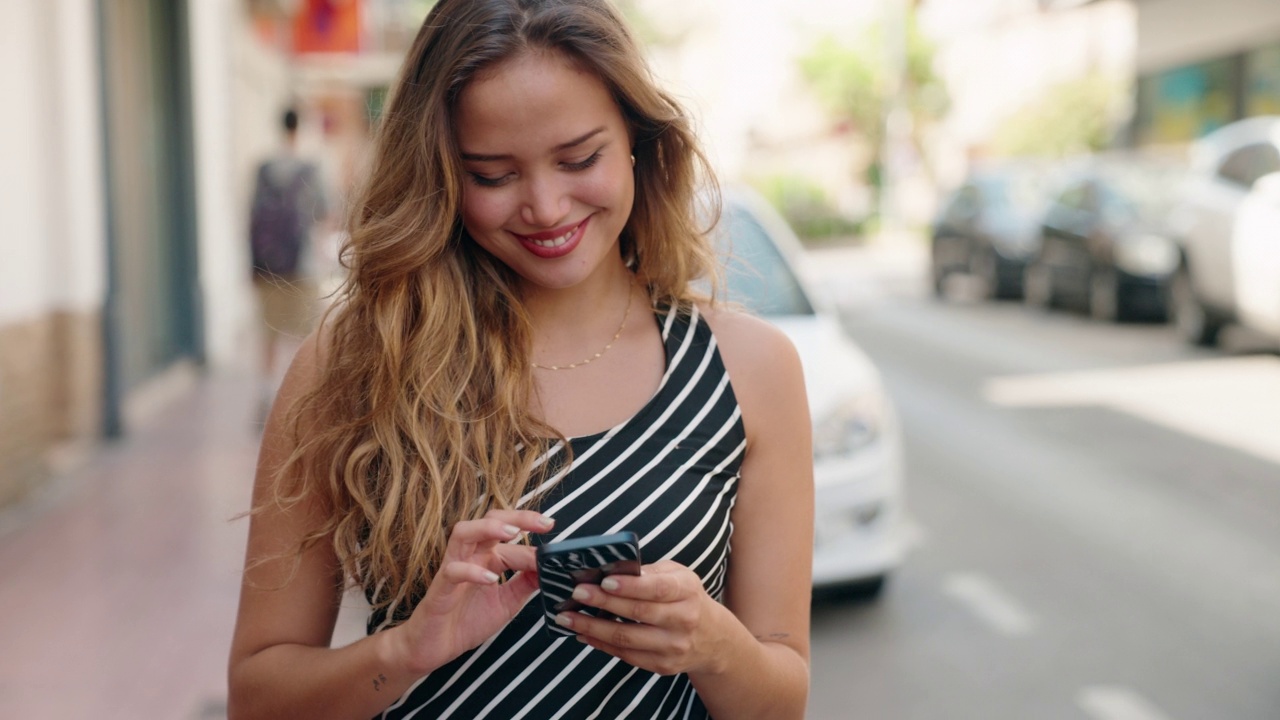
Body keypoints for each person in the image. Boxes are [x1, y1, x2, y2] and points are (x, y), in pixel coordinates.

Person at [227, 1, 814, 718]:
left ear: (637, 138)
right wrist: (407, 650)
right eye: (494, 174)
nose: (545, 206)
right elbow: (257, 700)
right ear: (441, 174)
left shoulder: (751, 370)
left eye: (578, 159)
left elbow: (782, 701)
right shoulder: (351, 366)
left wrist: (714, 646)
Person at [248, 107, 330, 417]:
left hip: (268, 266)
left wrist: (252, 267)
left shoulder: (264, 169)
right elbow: (324, 213)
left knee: (268, 333)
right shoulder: (311, 168)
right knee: (304, 336)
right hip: (303, 265)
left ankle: (265, 396)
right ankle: (300, 400)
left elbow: (252, 218)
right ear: (301, 128)